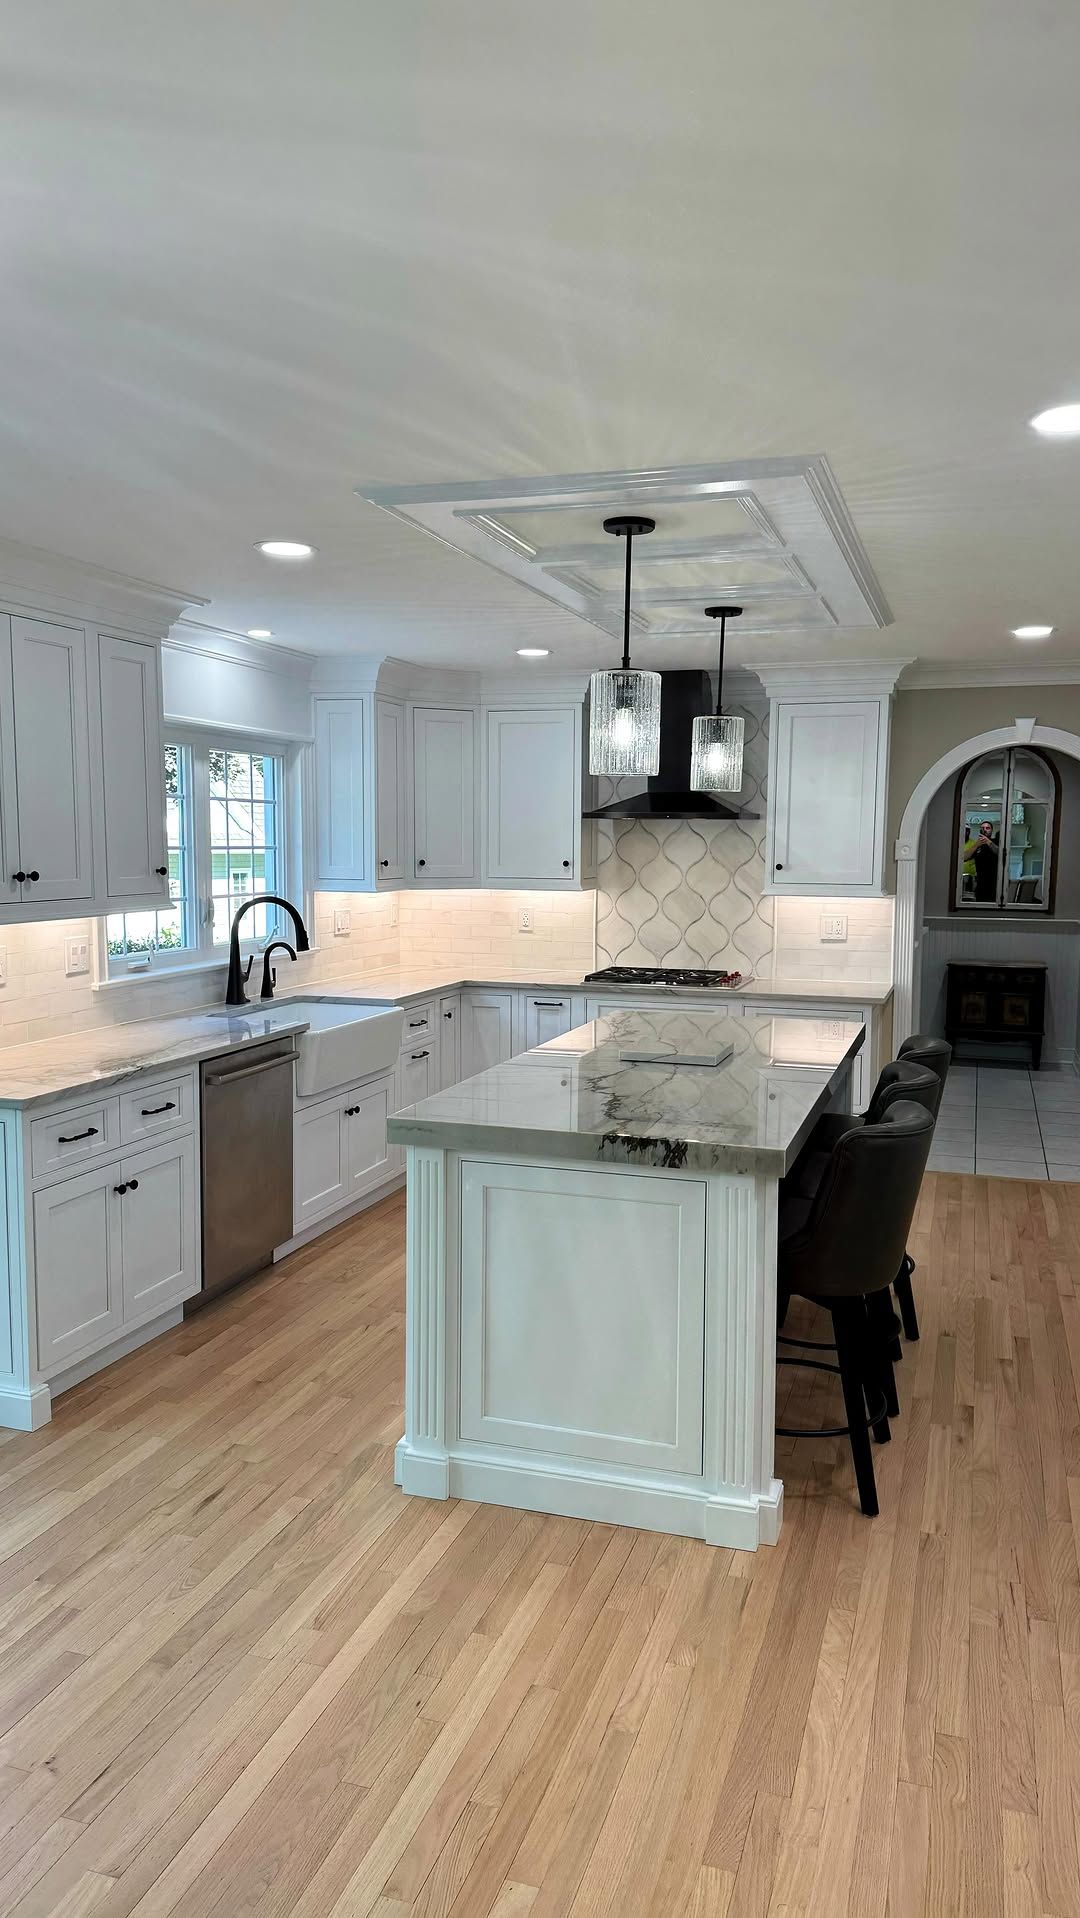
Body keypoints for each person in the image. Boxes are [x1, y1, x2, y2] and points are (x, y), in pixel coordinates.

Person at [964, 818, 999, 902]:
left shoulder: (996, 842)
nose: (985, 830)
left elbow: (999, 852)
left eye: (987, 828)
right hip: (980, 883)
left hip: (994, 883)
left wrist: (988, 841)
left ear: (991, 830)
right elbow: (964, 857)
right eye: (982, 828)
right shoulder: (977, 845)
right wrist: (976, 845)